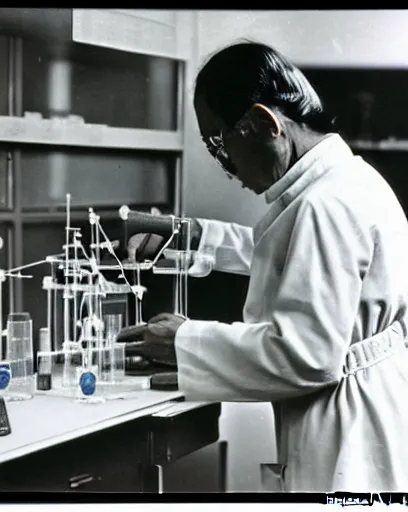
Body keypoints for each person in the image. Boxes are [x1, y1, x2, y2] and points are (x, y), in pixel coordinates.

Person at [116, 41, 408, 492]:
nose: (224, 165)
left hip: (346, 429)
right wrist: (192, 235)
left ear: (263, 123)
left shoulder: (325, 204)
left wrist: (185, 339)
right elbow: (298, 261)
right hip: (371, 404)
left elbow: (305, 356)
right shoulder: (349, 180)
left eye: (218, 141)